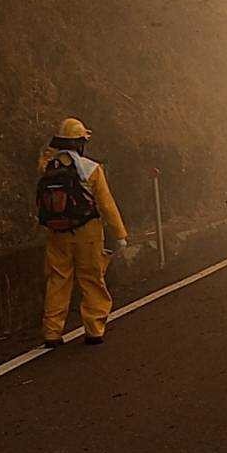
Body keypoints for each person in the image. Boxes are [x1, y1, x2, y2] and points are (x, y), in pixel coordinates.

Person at [36, 117, 129, 346]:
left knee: (58, 280)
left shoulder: (47, 167)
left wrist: (50, 150)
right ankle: (94, 329)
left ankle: (52, 332)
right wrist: (120, 233)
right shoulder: (91, 169)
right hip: (87, 232)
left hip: (57, 233)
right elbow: (106, 204)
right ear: (80, 143)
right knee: (91, 279)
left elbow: (44, 162)